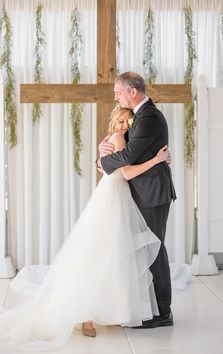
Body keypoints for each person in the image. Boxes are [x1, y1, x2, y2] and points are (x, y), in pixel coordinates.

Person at [0, 105, 170, 350]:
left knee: (112, 256)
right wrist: (157, 159)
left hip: (118, 198)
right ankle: (85, 313)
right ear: (114, 121)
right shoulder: (118, 138)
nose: (124, 126)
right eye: (121, 121)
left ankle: (103, 309)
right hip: (113, 199)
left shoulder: (120, 139)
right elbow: (127, 172)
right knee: (100, 254)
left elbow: (109, 165)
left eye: (128, 122)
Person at [97, 72, 177, 329]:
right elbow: (126, 150)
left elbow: (129, 154)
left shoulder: (150, 117)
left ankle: (164, 313)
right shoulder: (139, 117)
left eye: (118, 92)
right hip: (141, 191)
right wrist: (102, 153)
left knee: (155, 249)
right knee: (144, 250)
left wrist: (101, 163)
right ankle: (150, 307)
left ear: (133, 91)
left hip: (153, 194)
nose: (116, 97)